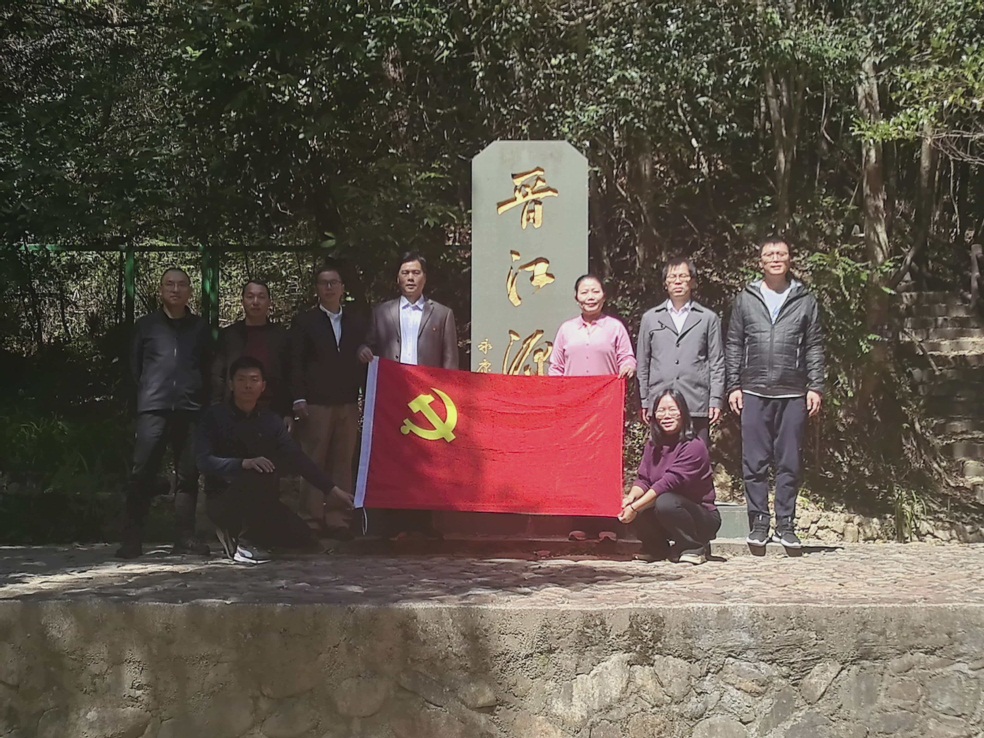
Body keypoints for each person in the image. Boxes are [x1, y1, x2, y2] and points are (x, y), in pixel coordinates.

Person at [196, 356, 354, 563]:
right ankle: (242, 542)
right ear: (231, 384)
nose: (248, 385)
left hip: (263, 503)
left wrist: (332, 490)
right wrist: (242, 463)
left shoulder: (270, 420)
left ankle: (254, 537)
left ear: (263, 386)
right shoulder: (214, 416)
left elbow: (298, 459)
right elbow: (204, 461)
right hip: (224, 498)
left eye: (254, 380)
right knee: (256, 469)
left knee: (305, 539)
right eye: (241, 379)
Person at [725, 236, 824, 550]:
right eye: (770, 254)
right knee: (754, 462)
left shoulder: (805, 299)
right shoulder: (746, 299)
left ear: (789, 259)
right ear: (761, 261)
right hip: (753, 390)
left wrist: (815, 386)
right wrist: (733, 385)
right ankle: (759, 522)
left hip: (793, 391)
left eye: (781, 253)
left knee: (789, 461)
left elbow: (814, 346)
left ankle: (786, 524)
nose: (776, 258)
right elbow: (734, 344)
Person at [358, 252, 458, 538]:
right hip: (394, 397)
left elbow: (450, 359)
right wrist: (363, 351)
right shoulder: (382, 312)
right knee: (395, 457)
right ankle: (393, 521)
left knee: (428, 459)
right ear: (397, 278)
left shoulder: (442, 314)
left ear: (425, 278)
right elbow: (368, 345)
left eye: (416, 273)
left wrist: (449, 395)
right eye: (405, 273)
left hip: (429, 399)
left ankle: (424, 522)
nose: (410, 278)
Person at [116, 267, 211, 559]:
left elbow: (208, 368)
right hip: (153, 409)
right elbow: (134, 368)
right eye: (170, 284)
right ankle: (132, 540)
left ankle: (185, 538)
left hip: (190, 410)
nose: (175, 289)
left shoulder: (200, 328)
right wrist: (145, 396)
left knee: (188, 476)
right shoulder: (146, 326)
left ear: (190, 292)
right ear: (161, 290)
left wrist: (203, 402)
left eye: (182, 285)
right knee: (141, 473)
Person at [549, 274, 636, 541]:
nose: (590, 297)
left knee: (605, 465)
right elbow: (555, 367)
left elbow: (628, 357)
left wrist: (628, 367)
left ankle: (607, 523)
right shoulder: (566, 330)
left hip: (605, 408)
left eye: (595, 291)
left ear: (604, 296)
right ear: (576, 298)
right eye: (584, 292)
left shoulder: (615, 328)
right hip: (575, 408)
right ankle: (579, 522)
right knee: (577, 466)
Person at [290, 263, 368, 539]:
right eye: (324, 283)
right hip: (315, 403)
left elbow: (364, 352)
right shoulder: (305, 322)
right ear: (317, 289)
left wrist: (363, 350)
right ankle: (311, 518)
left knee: (342, 461)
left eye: (334, 282)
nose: (329, 287)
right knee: (313, 460)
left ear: (342, 288)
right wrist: (298, 397)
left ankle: (339, 519)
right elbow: (295, 361)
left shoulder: (355, 322)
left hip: (347, 401)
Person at [618, 389, 720, 565]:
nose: (666, 416)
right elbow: (643, 479)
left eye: (672, 410)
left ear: (683, 413)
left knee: (664, 502)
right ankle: (656, 549)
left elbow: (667, 484)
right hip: (666, 510)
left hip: (699, 516)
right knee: (639, 505)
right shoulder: (652, 445)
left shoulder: (694, 446)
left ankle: (694, 547)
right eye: (661, 410)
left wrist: (635, 507)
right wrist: (631, 499)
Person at [636, 258, 725, 447]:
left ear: (692, 282)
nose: (677, 282)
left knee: (696, 456)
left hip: (696, 402)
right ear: (665, 283)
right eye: (672, 277)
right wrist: (644, 400)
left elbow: (716, 362)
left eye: (683, 276)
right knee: (663, 456)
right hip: (661, 403)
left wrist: (715, 400)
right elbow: (643, 363)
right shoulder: (650, 318)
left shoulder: (708, 318)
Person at [210, 280, 290, 418]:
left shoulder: (281, 336)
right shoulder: (229, 335)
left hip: (273, 410)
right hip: (233, 410)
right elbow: (218, 374)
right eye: (250, 296)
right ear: (242, 301)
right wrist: (216, 407)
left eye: (261, 297)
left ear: (269, 302)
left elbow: (289, 375)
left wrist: (288, 412)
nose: (255, 302)